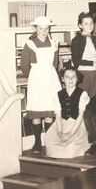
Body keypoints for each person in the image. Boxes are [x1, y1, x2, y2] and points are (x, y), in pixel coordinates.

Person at [20, 16, 61, 154]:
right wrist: (33, 77)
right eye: (40, 28)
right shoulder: (30, 44)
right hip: (36, 79)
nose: (43, 31)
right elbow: (24, 65)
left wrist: (50, 74)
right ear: (35, 29)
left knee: (49, 111)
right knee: (37, 112)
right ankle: (37, 142)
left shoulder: (53, 43)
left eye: (46, 28)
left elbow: (55, 63)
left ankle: (48, 141)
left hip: (50, 78)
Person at [45, 65, 90, 158]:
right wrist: (60, 132)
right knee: (49, 142)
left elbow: (80, 116)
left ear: (77, 79)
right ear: (62, 79)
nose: (70, 79)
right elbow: (58, 115)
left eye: (73, 77)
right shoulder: (58, 94)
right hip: (62, 123)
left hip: (77, 124)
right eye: (67, 77)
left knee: (71, 147)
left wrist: (70, 134)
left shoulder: (82, 94)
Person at [71, 12, 96, 98]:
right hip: (82, 73)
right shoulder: (76, 40)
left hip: (94, 73)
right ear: (80, 25)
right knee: (82, 97)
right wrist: (93, 63)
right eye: (86, 24)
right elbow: (76, 60)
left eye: (91, 23)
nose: (89, 26)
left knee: (93, 97)